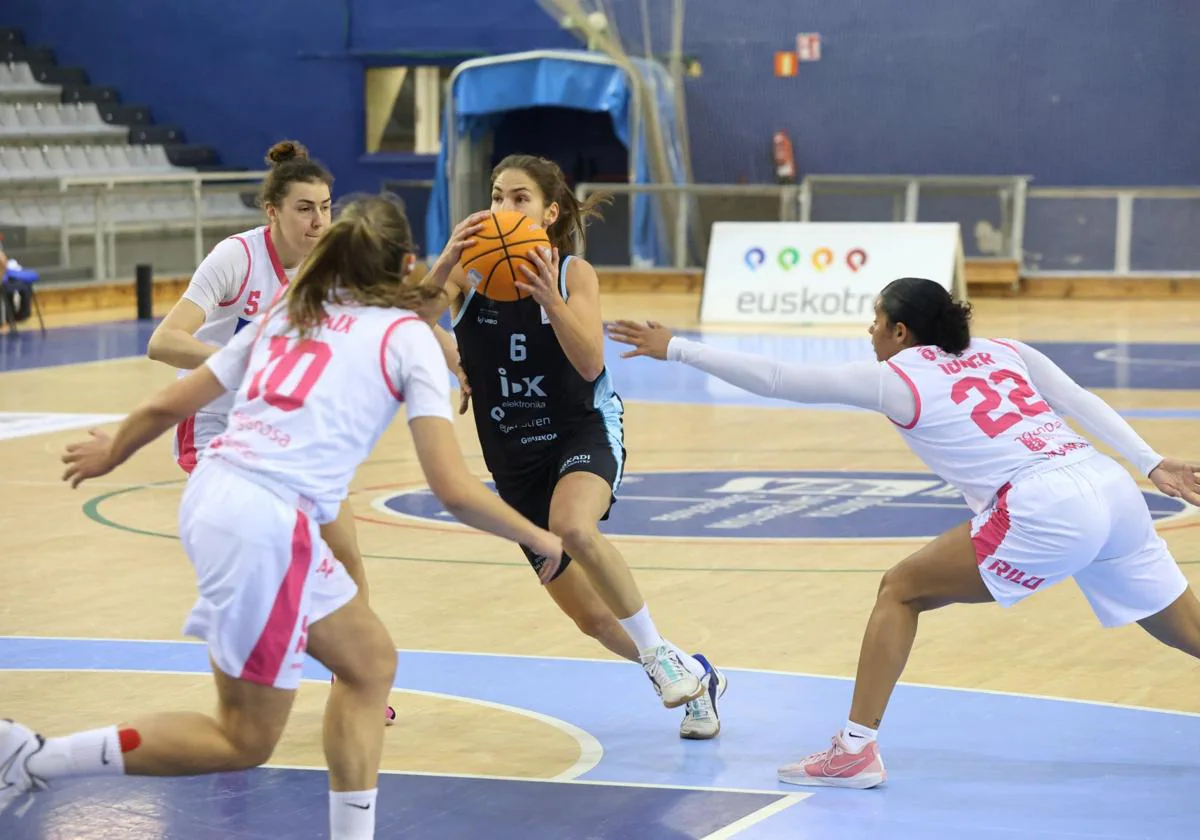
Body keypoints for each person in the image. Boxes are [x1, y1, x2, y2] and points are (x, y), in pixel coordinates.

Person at [0, 194, 565, 838]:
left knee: (369, 662)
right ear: (406, 262)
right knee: (242, 738)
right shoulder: (410, 340)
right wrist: (538, 535)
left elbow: (169, 403)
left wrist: (113, 449)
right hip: (266, 522)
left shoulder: (291, 313)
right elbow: (455, 489)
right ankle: (37, 759)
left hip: (220, 495)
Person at [608, 276, 1200, 788]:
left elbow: (777, 377)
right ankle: (853, 749)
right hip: (1112, 488)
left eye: (876, 323)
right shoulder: (1006, 349)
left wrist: (678, 348)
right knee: (1187, 630)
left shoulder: (898, 377)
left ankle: (854, 750)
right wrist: (1149, 461)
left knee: (901, 589)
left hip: (1044, 503)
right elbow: (1079, 400)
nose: (870, 334)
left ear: (900, 333)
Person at [422, 154, 726, 739]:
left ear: (550, 211)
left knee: (576, 527)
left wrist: (548, 300)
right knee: (591, 618)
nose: (504, 210)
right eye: (496, 197)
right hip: (513, 456)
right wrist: (443, 273)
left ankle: (660, 659)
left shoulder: (572, 274)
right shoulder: (468, 273)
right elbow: (399, 318)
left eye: (520, 199)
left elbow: (589, 361)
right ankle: (691, 671)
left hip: (579, 431)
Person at [146, 141, 389, 722]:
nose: (319, 220)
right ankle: (240, 680)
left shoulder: (331, 264)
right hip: (217, 429)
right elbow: (163, 340)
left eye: (326, 207)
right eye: (304, 208)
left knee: (346, 549)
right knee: (267, 556)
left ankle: (351, 679)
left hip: (287, 428)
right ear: (272, 212)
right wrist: (245, 360)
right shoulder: (236, 258)